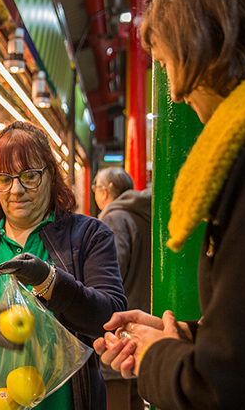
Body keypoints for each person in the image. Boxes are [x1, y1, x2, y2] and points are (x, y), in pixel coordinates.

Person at [94, 0, 245, 409]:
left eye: (170, 63)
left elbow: (229, 386)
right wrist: (190, 336)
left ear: (206, 46)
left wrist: (157, 357)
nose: (173, 92)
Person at [0, 121, 127, 410]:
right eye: (4, 179)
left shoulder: (89, 235)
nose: (16, 190)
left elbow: (111, 314)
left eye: (30, 176)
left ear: (50, 175)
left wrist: (50, 282)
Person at [92, 167, 151, 410]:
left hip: (119, 330)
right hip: (144, 325)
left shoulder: (113, 219)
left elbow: (110, 276)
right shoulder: (144, 215)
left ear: (104, 192)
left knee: (116, 399)